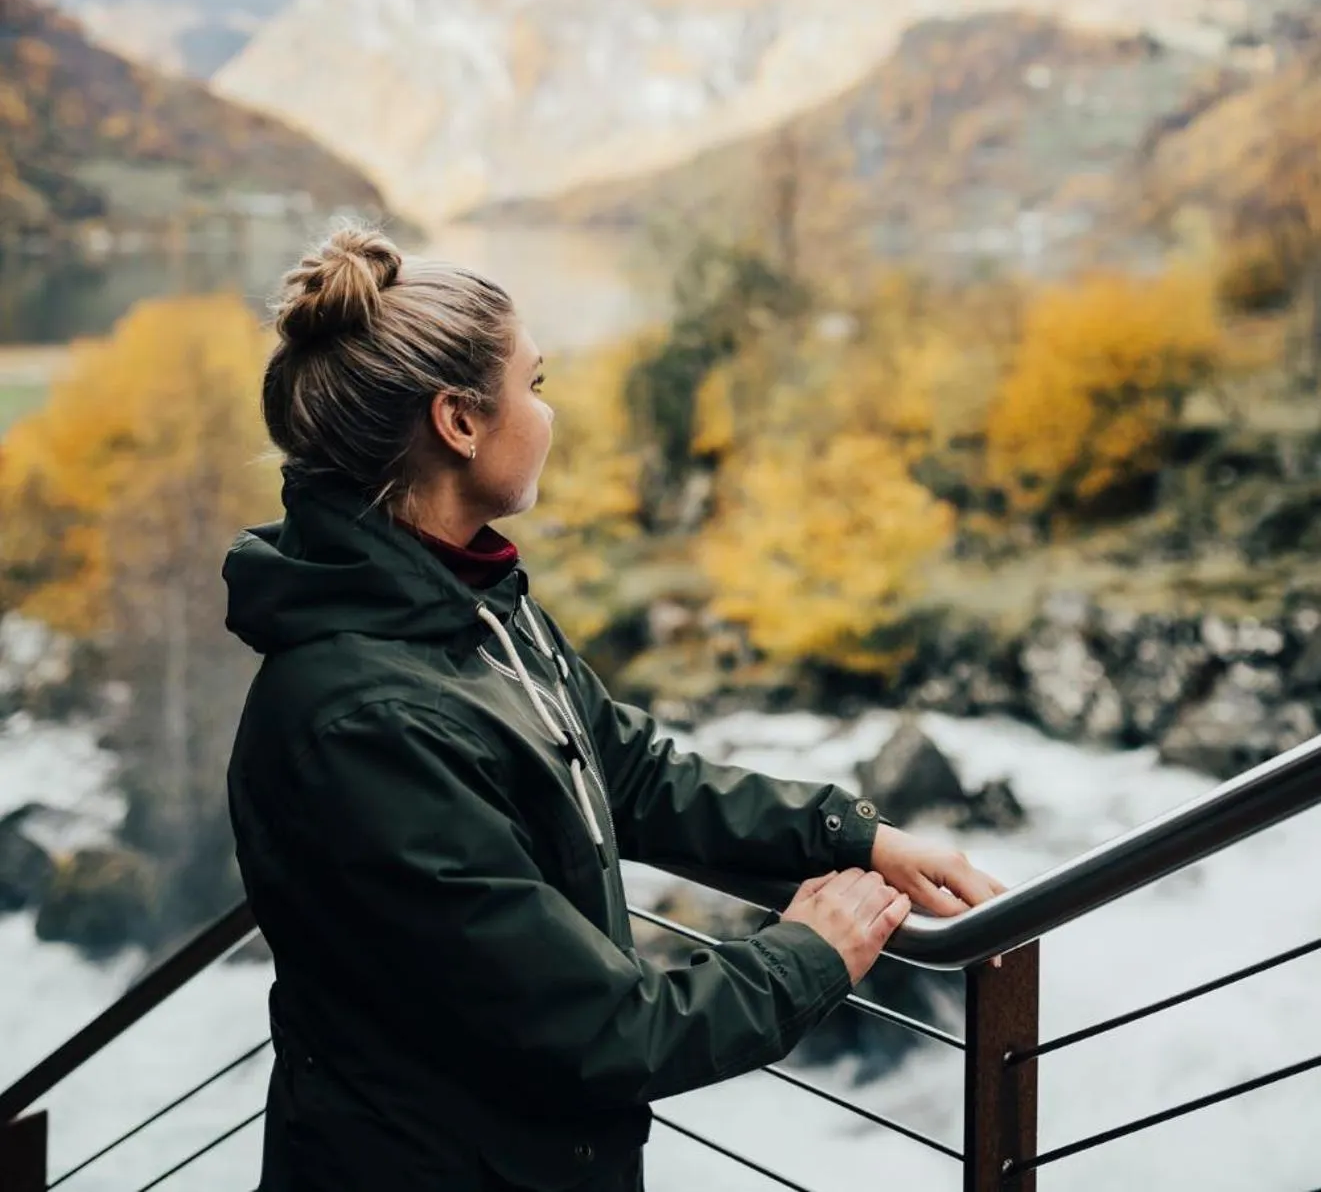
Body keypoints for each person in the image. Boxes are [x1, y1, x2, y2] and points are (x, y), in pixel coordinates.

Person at [225, 225, 1003, 1192]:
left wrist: (849, 834)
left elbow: (622, 770)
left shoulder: (464, 601)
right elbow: (600, 1028)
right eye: (534, 384)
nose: (548, 414)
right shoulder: (367, 721)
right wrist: (812, 953)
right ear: (458, 421)